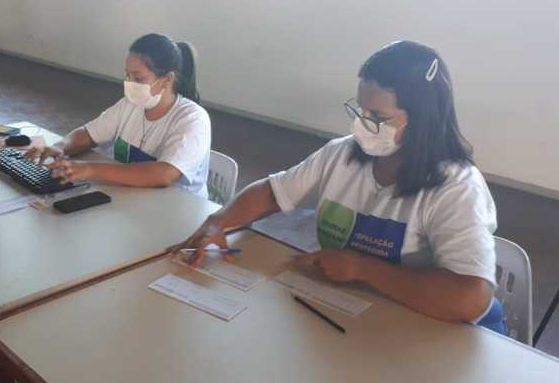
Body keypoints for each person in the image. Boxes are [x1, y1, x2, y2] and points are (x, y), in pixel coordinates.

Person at [181, 41, 506, 333]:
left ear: (422, 119)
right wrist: (221, 220)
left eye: (377, 116)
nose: (363, 122)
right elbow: (273, 192)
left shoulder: (456, 186)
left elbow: (471, 297)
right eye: (359, 109)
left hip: (438, 329)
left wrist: (364, 269)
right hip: (356, 313)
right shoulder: (342, 153)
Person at [28, 33, 212, 198]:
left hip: (177, 210)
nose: (130, 83)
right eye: (128, 75)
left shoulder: (192, 119)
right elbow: (88, 134)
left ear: (167, 79)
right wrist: (60, 147)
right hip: (132, 198)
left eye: (138, 78)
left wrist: (89, 168)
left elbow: (164, 174)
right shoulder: (130, 104)